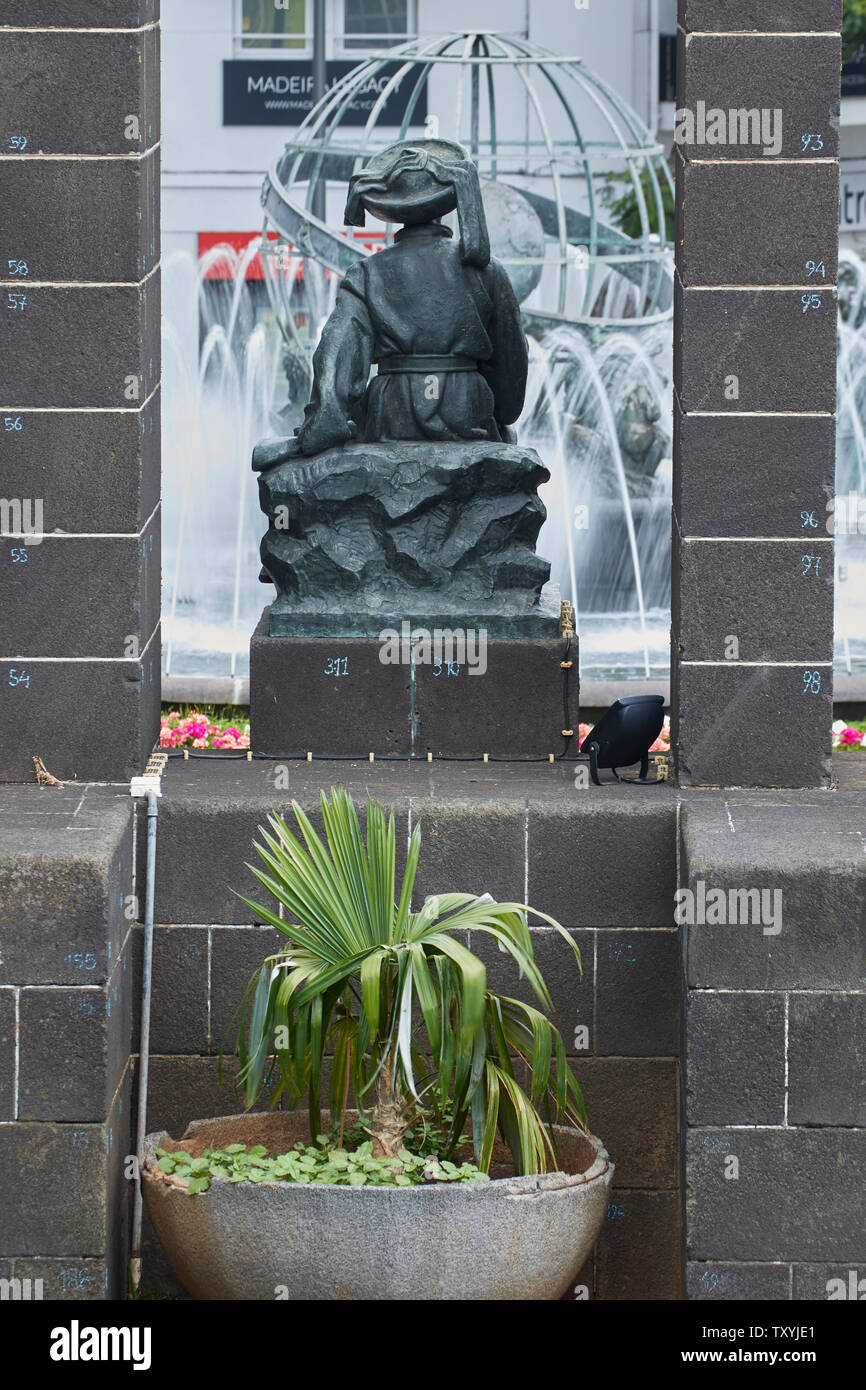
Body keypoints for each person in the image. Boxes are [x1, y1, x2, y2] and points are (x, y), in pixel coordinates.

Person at [253, 139, 528, 469]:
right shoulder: (489, 272)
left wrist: (327, 415)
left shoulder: (367, 273)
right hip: (467, 409)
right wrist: (501, 414)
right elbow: (512, 364)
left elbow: (337, 349)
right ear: (445, 202)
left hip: (391, 414)